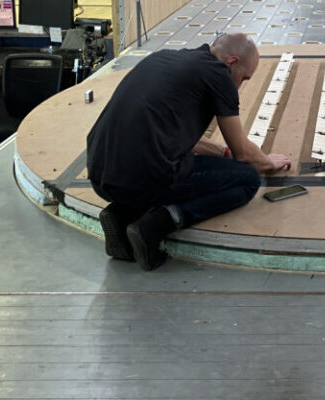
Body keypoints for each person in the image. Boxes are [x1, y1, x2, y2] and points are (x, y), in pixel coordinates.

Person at [86, 33, 291, 270]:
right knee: (247, 179)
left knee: (167, 161)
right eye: (244, 78)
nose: (240, 84)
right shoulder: (218, 75)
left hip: (100, 174)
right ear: (231, 61)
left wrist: (222, 154)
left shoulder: (165, 58)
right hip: (142, 179)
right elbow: (243, 153)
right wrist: (267, 161)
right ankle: (154, 227)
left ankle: (119, 213)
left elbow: (182, 138)